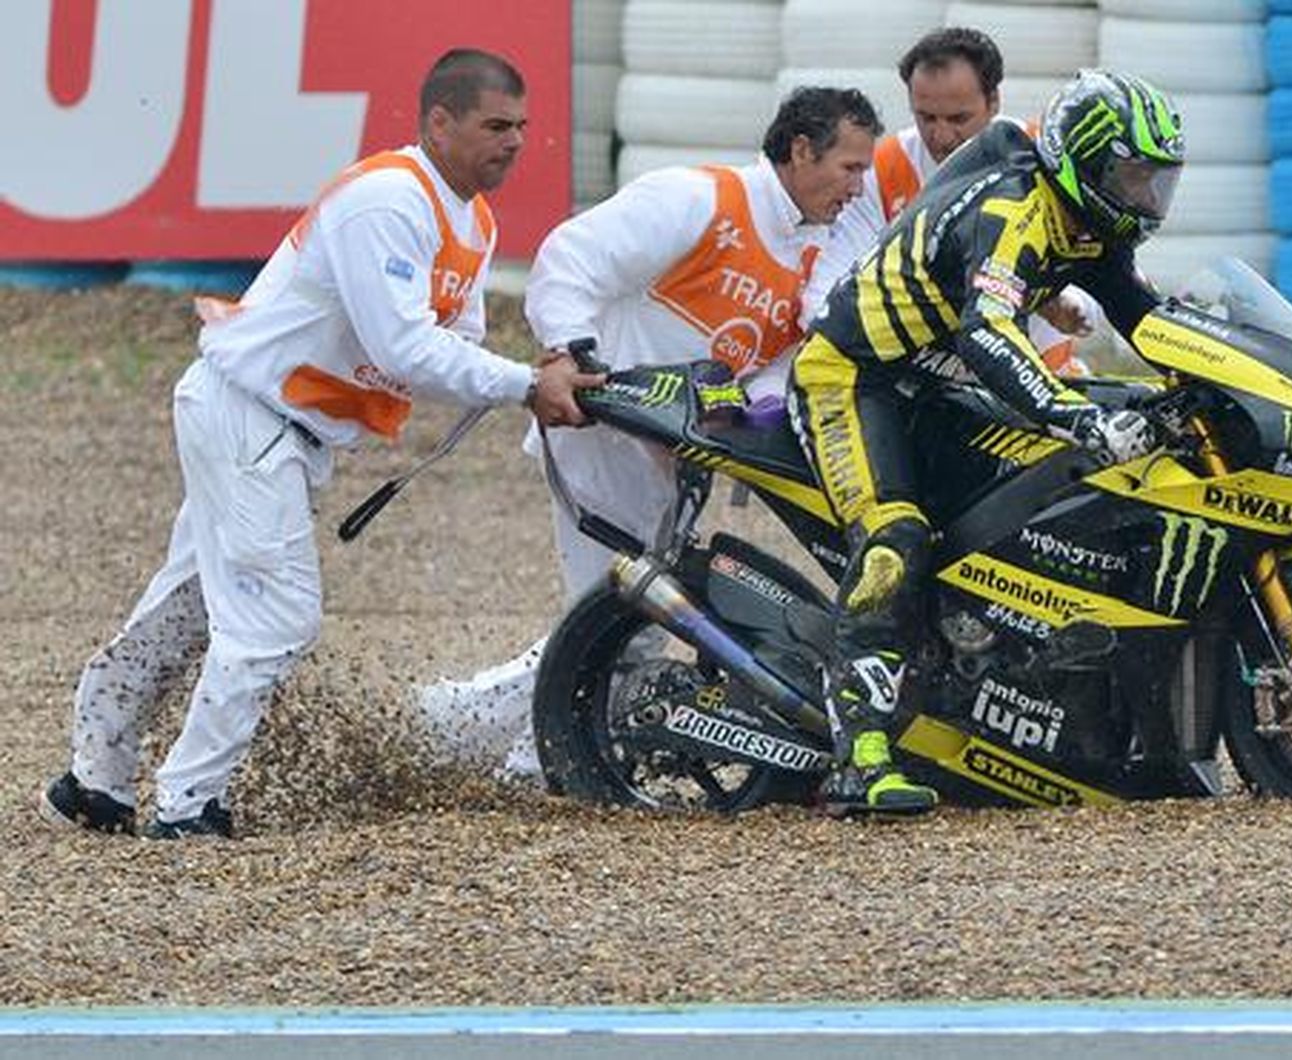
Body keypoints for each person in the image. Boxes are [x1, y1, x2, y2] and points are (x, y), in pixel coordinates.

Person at [37, 48, 603, 839]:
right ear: (439, 122)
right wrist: (521, 385)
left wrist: (524, 376)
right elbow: (408, 349)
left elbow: (457, 336)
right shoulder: (387, 202)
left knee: (191, 603)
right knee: (276, 621)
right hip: (252, 415)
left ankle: (93, 782)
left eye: (522, 127)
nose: (513, 142)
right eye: (495, 125)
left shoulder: (470, 218)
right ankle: (188, 805)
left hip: (276, 427)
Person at [413, 86, 883, 778]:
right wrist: (573, 353)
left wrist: (765, 411)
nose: (860, 186)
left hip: (670, 454)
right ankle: (524, 763)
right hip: (602, 429)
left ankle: (449, 725)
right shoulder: (697, 200)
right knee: (628, 617)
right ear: (802, 150)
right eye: (849, 167)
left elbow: (770, 365)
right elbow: (568, 259)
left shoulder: (815, 250)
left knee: (627, 615)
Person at [789, 68, 1186, 816]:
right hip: (851, 379)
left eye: (1156, 181)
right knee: (893, 538)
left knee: (1037, 494)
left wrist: (1216, 375)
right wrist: (1076, 414)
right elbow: (988, 334)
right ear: (1088, 165)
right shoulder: (1013, 209)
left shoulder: (1090, 222)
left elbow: (1143, 314)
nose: (1146, 197)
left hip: (930, 389)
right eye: (1133, 177)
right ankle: (860, 757)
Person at [814, 26, 1101, 375]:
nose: (942, 136)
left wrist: (1069, 305)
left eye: (958, 119)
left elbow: (1103, 288)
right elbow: (827, 289)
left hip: (1033, 366)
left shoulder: (1047, 160)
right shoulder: (882, 170)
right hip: (918, 371)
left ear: (994, 101)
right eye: (926, 118)